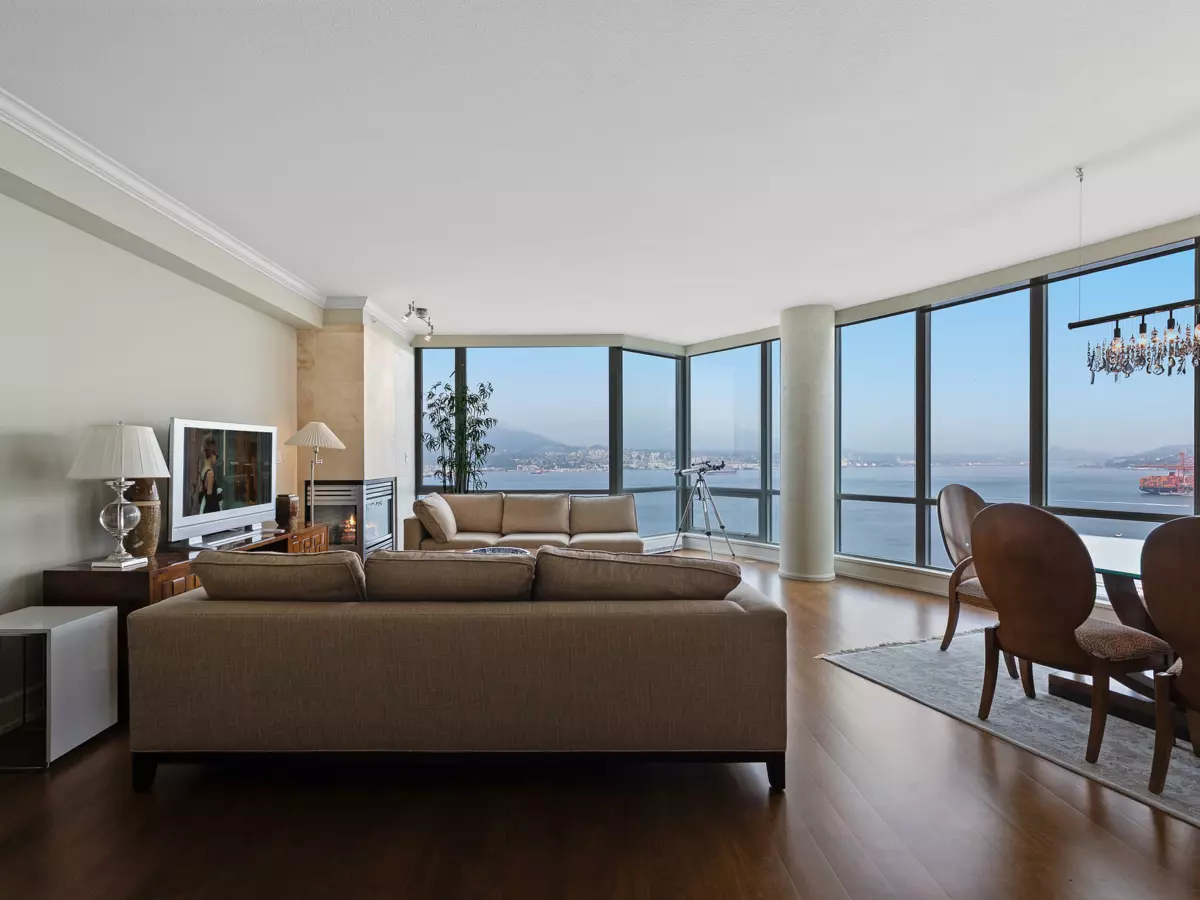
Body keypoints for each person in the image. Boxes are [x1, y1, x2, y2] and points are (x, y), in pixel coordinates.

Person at [197, 436, 223, 513]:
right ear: (212, 454)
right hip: (210, 511)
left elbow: (200, 493)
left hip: (205, 509)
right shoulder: (210, 473)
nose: (217, 458)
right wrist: (218, 497)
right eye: (216, 456)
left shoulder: (204, 470)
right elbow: (210, 498)